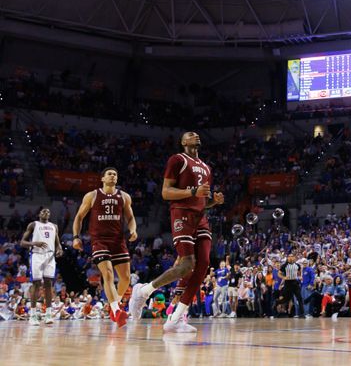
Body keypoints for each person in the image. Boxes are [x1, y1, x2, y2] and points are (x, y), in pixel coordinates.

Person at [128, 131, 225, 333]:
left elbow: (201, 201)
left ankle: (176, 318)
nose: (196, 136)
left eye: (198, 134)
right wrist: (191, 192)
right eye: (191, 135)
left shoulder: (206, 167)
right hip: (181, 214)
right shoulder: (177, 160)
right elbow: (166, 192)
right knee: (186, 266)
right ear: (183, 142)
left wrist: (213, 202)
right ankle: (144, 291)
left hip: (200, 217)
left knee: (203, 264)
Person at [72, 166, 137, 327]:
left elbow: (130, 217)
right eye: (109, 174)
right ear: (102, 178)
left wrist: (133, 230)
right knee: (107, 274)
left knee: (126, 278)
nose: (113, 176)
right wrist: (75, 237)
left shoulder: (124, 196)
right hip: (99, 240)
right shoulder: (92, 195)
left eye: (115, 174)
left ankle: (113, 304)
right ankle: (115, 310)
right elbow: (79, 217)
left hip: (118, 240)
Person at [20, 208, 63, 325]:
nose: (46, 213)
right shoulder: (33, 225)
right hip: (37, 255)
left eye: (48, 212)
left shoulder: (54, 226)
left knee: (49, 284)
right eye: (44, 211)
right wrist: (34, 243)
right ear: (39, 214)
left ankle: (48, 314)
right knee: (36, 283)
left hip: (50, 256)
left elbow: (57, 242)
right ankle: (33, 315)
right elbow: (22, 242)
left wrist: (59, 249)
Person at [278, 254, 303, 318]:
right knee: (286, 299)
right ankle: (277, 305)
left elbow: (299, 272)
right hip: (287, 283)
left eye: (292, 256)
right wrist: (284, 277)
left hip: (295, 283)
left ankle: (302, 314)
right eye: (289, 256)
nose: (291, 258)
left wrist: (299, 276)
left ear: (294, 258)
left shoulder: (297, 265)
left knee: (299, 298)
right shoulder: (284, 265)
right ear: (287, 258)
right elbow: (279, 274)